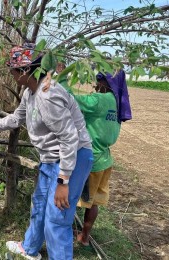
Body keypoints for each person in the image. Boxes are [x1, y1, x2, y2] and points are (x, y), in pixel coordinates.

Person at [0, 43, 93, 260]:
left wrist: (63, 181)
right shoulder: (30, 92)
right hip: (51, 159)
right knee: (40, 204)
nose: (11, 74)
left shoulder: (48, 95)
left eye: (13, 70)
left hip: (73, 158)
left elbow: (70, 138)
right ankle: (30, 248)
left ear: (25, 71)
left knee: (57, 218)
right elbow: (15, 119)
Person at [72, 70, 132, 246]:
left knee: (76, 197)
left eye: (99, 81)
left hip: (91, 159)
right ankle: (84, 236)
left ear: (107, 83)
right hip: (106, 159)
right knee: (94, 202)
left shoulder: (100, 99)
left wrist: (60, 77)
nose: (96, 85)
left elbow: (72, 99)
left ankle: (64, 232)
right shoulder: (117, 101)